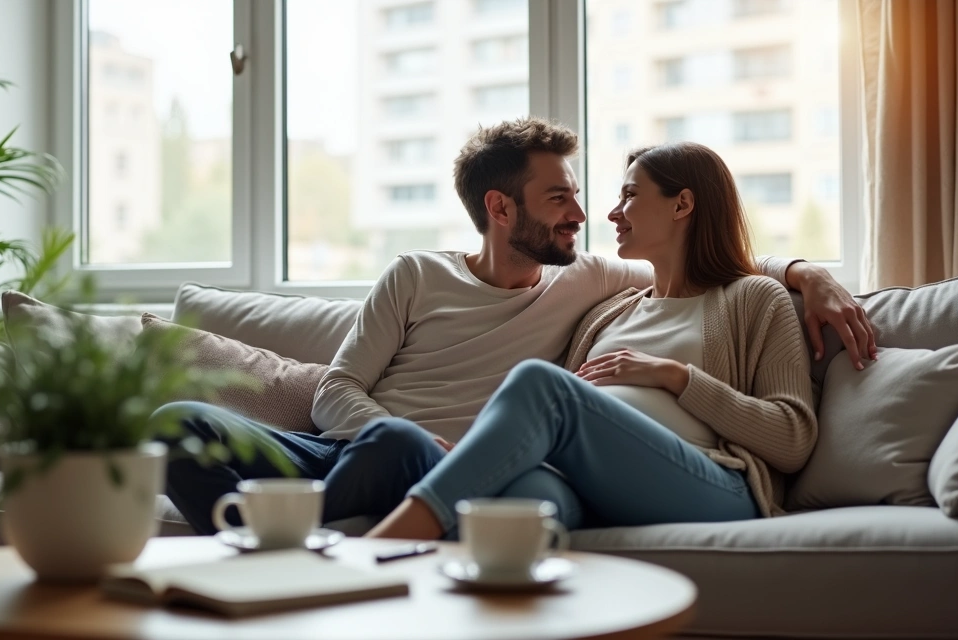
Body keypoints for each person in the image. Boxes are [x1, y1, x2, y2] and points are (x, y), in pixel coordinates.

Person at [156, 119, 874, 535]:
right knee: (180, 422)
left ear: (681, 205)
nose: (592, 215)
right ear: (502, 209)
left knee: (512, 415)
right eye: (563, 197)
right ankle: (278, 542)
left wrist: (805, 274)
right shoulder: (599, 302)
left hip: (699, 480)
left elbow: (783, 419)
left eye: (616, 197)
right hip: (380, 449)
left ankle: (373, 540)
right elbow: (337, 390)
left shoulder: (726, 299)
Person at [366, 141, 823, 540]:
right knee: (524, 500)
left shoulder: (753, 298)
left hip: (712, 486)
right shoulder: (612, 308)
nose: (609, 214)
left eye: (629, 196)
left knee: (539, 385)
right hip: (597, 482)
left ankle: (380, 548)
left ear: (682, 204)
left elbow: (792, 439)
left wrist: (676, 377)